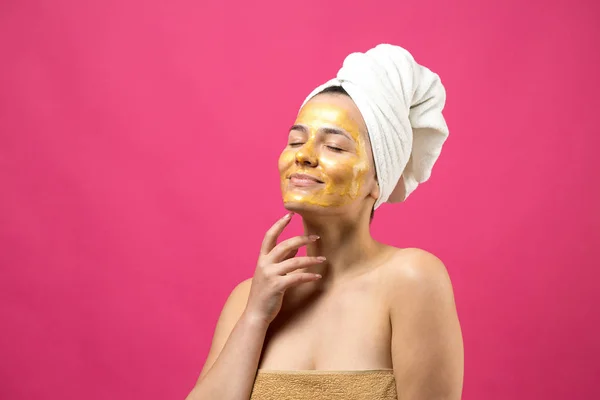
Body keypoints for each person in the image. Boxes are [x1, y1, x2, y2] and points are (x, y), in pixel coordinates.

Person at [185, 44, 464, 400]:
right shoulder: (249, 298)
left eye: (334, 147)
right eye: (295, 140)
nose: (303, 156)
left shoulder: (412, 278)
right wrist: (255, 317)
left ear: (378, 180)